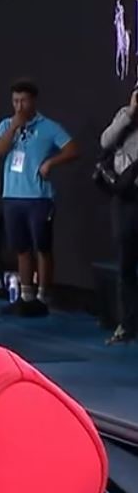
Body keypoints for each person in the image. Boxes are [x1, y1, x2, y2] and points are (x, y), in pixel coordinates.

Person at [0, 79, 78, 316]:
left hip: (38, 197)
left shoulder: (49, 127)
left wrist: (51, 162)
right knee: (21, 248)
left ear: (33, 101)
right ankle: (26, 296)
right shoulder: (6, 125)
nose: (19, 106)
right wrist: (12, 129)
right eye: (15, 101)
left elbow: (72, 149)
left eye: (23, 101)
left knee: (42, 247)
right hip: (12, 195)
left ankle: (43, 296)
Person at [97, 88, 138, 345]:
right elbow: (105, 142)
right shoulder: (126, 115)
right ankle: (127, 324)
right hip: (126, 198)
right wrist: (131, 113)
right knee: (125, 265)